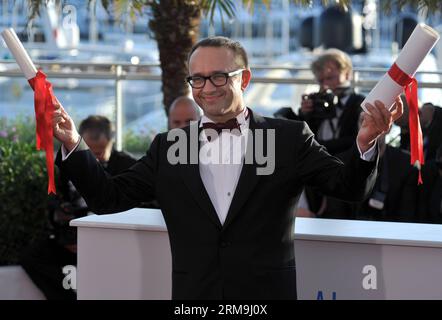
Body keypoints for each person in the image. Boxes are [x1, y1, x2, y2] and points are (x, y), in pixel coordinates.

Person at [52, 36, 402, 300]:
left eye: (218, 77)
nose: (207, 88)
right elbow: (108, 198)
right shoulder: (172, 145)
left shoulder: (287, 137)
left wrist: (366, 141)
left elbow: (348, 187)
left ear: (244, 79)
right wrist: (73, 144)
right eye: (198, 79)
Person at [20, 115, 136, 300]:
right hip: (73, 240)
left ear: (111, 143)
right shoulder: (70, 163)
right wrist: (62, 221)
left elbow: (138, 209)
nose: (93, 160)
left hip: (114, 244)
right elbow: (54, 202)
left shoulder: (128, 166)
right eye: (88, 152)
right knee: (33, 256)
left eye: (99, 153)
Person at [298, 48, 366, 156]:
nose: (325, 85)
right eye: (321, 80)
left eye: (330, 78)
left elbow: (356, 140)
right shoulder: (316, 101)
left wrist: (318, 146)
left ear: (347, 74)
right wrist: (305, 114)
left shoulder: (359, 103)